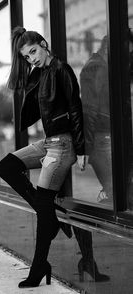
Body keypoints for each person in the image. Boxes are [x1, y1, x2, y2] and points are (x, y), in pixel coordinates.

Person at [0, 27, 85, 288]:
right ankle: (49, 214)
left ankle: (38, 268)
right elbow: (25, 91)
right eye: (26, 56)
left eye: (33, 51)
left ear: (44, 44)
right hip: (48, 142)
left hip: (64, 145)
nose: (31, 59)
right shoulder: (40, 73)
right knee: (6, 166)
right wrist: (27, 68)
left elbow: (75, 108)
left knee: (44, 210)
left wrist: (81, 150)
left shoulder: (61, 69)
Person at [80, 36, 112, 204]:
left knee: (116, 191)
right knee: (116, 192)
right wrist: (88, 146)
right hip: (103, 137)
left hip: (105, 135)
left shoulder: (102, 66)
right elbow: (89, 108)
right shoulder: (96, 67)